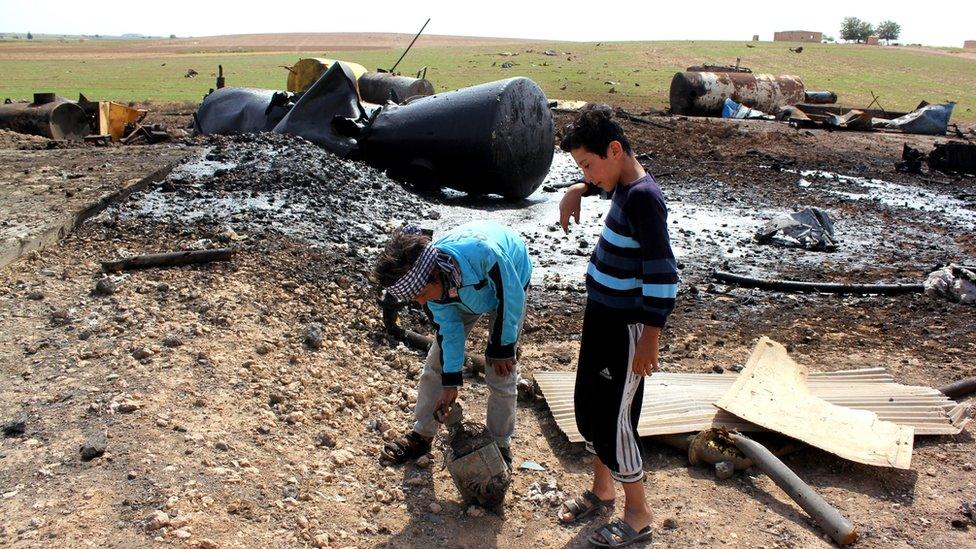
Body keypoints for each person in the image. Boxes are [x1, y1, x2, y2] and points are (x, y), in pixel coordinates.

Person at [555, 104, 678, 547]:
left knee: (616, 417)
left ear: (614, 149)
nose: (589, 174)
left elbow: (663, 274)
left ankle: (638, 515)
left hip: (628, 329)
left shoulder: (645, 198)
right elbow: (605, 180)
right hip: (601, 316)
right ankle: (603, 489)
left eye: (588, 165)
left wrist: (650, 338)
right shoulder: (622, 184)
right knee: (590, 405)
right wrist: (578, 188)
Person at [371, 220, 532, 467]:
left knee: (501, 371)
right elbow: (450, 332)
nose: (420, 302)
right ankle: (423, 433)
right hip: (459, 294)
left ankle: (500, 444)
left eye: (421, 295)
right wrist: (451, 382)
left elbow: (511, 297)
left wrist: (502, 347)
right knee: (436, 363)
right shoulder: (431, 294)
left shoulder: (484, 253)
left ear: (435, 275)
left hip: (507, 283)